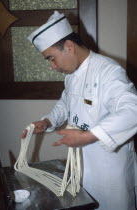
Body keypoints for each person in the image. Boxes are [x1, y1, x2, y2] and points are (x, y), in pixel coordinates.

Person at [22, 11, 137, 210]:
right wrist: (48, 121)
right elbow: (65, 103)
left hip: (110, 171)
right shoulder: (71, 75)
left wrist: (88, 136)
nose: (52, 66)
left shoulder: (109, 71)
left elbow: (132, 110)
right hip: (82, 167)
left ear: (69, 47)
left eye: (52, 58)